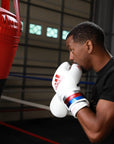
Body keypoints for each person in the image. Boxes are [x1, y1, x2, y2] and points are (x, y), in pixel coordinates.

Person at [50, 21, 114, 144]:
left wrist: (69, 94)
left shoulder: (112, 75)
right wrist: (70, 98)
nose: (71, 57)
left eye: (72, 50)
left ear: (88, 46)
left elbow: (96, 133)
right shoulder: (104, 76)